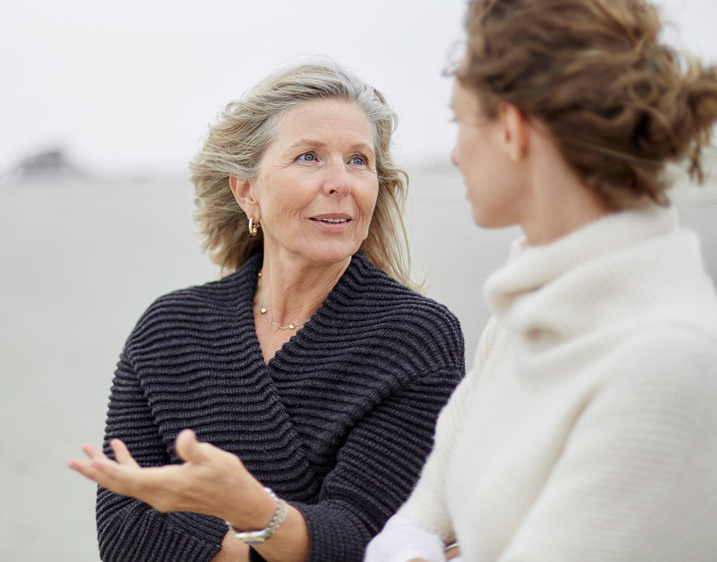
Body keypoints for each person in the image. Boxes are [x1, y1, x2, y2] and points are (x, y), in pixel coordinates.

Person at [68, 59, 465, 562]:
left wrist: (249, 509)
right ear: (246, 191)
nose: (341, 181)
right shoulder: (169, 329)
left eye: (359, 160)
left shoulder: (416, 336)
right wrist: (285, 537)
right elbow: (126, 537)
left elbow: (368, 539)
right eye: (309, 157)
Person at [364, 1, 717, 561]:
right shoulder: (526, 309)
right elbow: (423, 509)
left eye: (459, 121)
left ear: (511, 127)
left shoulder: (667, 358)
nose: (453, 153)